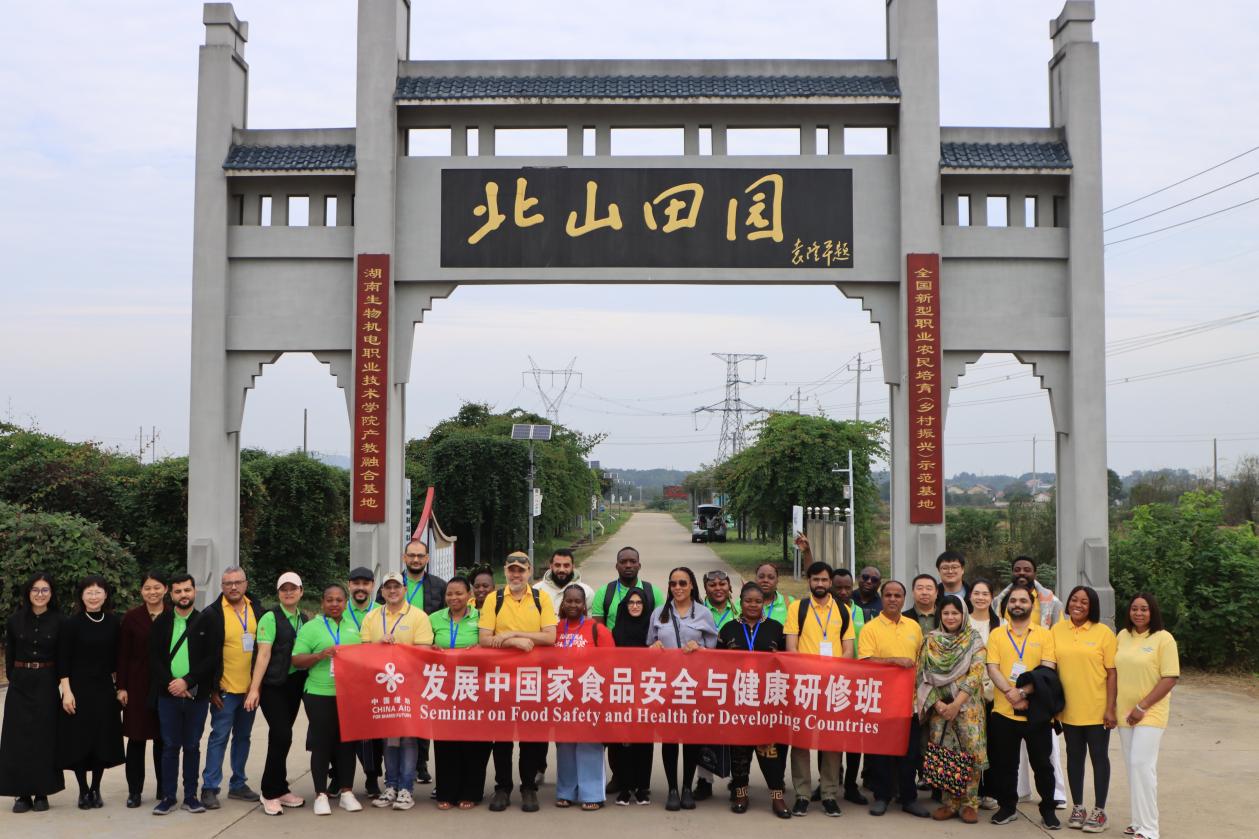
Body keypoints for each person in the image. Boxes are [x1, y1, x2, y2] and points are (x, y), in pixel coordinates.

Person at [479, 551, 557, 813]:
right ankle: (502, 787)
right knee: (501, 737)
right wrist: (514, 642)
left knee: (530, 737)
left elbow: (550, 637)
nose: (516, 575)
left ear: (529, 572)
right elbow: (484, 639)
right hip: (500, 679)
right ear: (505, 571)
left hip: (532, 678)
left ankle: (528, 787)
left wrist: (512, 633)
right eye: (511, 570)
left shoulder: (540, 598)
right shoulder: (495, 599)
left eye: (520, 570)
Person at [783, 559, 855, 818]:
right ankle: (802, 795)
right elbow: (791, 648)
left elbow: (848, 649)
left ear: (830, 582)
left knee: (832, 740)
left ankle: (829, 794)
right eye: (816, 580)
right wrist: (811, 672)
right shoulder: (797, 608)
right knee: (801, 741)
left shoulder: (843, 610)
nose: (820, 584)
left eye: (825, 579)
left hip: (833, 686)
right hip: (804, 685)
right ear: (809, 581)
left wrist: (832, 673)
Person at [986, 582, 1060, 829]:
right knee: (1005, 765)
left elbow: (1048, 670)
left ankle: (1048, 809)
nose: (1018, 604)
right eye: (1014, 601)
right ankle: (1007, 807)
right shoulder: (997, 634)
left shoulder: (1044, 634)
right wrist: (1010, 693)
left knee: (1043, 766)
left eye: (1023, 601)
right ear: (1007, 605)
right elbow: (992, 667)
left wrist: (1022, 692)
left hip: (1035, 713)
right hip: (1003, 712)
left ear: (1031, 605)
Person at [647, 566, 719, 811]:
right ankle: (672, 789)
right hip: (666, 686)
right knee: (669, 738)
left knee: (690, 738)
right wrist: (653, 648)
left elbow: (714, 651)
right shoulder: (659, 613)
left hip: (693, 685)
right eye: (673, 583)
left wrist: (700, 649)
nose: (677, 588)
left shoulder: (704, 613)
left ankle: (688, 787)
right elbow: (649, 645)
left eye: (682, 583)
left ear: (692, 586)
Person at [997, 557, 1067, 808]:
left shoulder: (1051, 602)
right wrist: (1012, 690)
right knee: (1014, 747)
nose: (1022, 573)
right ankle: (1021, 791)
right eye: (1017, 569)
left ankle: (1056, 794)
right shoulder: (1001, 600)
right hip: (1010, 680)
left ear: (1035, 573)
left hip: (1042, 678)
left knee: (1046, 748)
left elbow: (1058, 635)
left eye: (1027, 569)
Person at [361, 572, 434, 811]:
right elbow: (363, 651)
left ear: (404, 589)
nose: (392, 591)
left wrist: (398, 649)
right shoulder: (372, 617)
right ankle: (390, 786)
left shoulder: (419, 616)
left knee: (409, 737)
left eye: (397, 587)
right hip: (382, 686)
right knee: (389, 737)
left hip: (411, 685)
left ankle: (406, 788)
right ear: (382, 591)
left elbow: (424, 651)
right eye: (388, 587)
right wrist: (378, 646)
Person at [718, 581, 791, 819]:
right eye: (748, 601)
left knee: (770, 751)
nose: (753, 605)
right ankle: (741, 794)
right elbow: (715, 664)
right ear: (740, 602)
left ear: (763, 603)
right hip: (738, 700)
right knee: (739, 752)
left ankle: (777, 797)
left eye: (758, 601)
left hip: (767, 701)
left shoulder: (776, 628)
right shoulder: (728, 629)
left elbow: (789, 662)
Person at [857, 580, 929, 818]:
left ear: (904, 599)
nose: (893, 599)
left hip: (909, 703)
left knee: (910, 754)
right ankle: (882, 797)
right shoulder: (870, 628)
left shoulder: (913, 627)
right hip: (881, 703)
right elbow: (865, 662)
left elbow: (921, 662)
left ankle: (908, 798)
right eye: (888, 595)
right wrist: (895, 661)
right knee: (881, 755)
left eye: (898, 595)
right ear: (882, 597)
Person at [915, 595, 988, 824]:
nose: (950, 617)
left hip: (968, 706)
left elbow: (976, 673)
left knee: (970, 751)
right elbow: (922, 675)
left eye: (955, 613)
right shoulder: (931, 640)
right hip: (940, 707)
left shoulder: (974, 639)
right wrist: (939, 704)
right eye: (946, 613)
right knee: (945, 753)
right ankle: (950, 803)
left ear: (963, 614)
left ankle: (970, 804)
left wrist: (956, 704)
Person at [292, 584, 364, 816]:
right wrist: (319, 655)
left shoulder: (354, 626)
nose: (334, 604)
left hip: (348, 694)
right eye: (329, 600)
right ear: (322, 603)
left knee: (347, 744)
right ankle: (321, 794)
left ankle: (346, 792)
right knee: (322, 744)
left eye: (339, 600)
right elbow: (296, 660)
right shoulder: (311, 628)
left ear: (346, 603)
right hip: (319, 694)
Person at [57, 575, 126, 809]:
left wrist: (120, 687)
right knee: (79, 740)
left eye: (98, 592)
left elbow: (119, 658)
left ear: (105, 595)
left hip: (104, 690)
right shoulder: (71, 624)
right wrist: (67, 692)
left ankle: (96, 788)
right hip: (78, 690)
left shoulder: (114, 622)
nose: (94, 596)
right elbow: (63, 661)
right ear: (81, 596)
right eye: (89, 592)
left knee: (101, 740)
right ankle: (83, 790)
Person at [149, 573, 215, 816]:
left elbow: (212, 657)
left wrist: (187, 681)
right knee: (170, 746)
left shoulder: (206, 621)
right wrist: (172, 683)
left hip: (196, 695)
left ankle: (190, 796)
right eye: (178, 591)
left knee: (192, 746)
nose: (183, 595)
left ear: (194, 591)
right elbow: (154, 659)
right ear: (171, 594)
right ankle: (168, 797)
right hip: (168, 695)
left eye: (187, 590)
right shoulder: (161, 622)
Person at [1052, 585, 1116, 833]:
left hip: (1097, 709)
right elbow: (1051, 669)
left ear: (1092, 607)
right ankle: (1078, 807)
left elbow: (1112, 673)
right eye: (1074, 600)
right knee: (1074, 758)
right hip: (1069, 710)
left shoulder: (1104, 633)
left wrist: (1110, 708)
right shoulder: (1057, 630)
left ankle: (1100, 811)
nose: (1077, 605)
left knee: (1099, 758)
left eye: (1084, 602)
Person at [244, 572, 308, 816]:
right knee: (282, 734)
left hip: (294, 684)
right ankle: (269, 792)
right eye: (284, 589)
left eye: (293, 588)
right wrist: (254, 689)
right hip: (273, 685)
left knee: (282, 736)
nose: (288, 593)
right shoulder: (270, 618)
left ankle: (281, 787)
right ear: (278, 592)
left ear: (301, 591)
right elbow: (263, 654)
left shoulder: (304, 618)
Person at [1116, 593, 1179, 839]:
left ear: (1152, 612)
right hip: (1125, 712)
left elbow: (1170, 678)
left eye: (1144, 609)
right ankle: (1137, 821)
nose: (1139, 613)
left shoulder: (1164, 638)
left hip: (1150, 712)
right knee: (1133, 767)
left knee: (1142, 765)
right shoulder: (1122, 636)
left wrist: (1142, 707)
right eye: (1134, 608)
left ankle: (1150, 828)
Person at [199, 566, 262, 809]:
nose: (233, 587)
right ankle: (210, 787)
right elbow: (205, 655)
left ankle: (238, 784)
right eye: (228, 583)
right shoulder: (212, 613)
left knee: (243, 737)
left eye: (238, 582)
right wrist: (211, 689)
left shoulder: (257, 609)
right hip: (225, 691)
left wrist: (257, 686)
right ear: (222, 586)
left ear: (246, 584)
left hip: (250, 691)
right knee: (219, 737)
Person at [1, 572, 65, 813]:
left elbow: (62, 656)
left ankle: (41, 793)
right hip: (20, 682)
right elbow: (10, 654)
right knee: (17, 738)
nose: (40, 594)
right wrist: (16, 676)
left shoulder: (60, 621)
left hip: (47, 681)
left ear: (51, 593)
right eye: (35, 590)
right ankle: (22, 794)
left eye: (45, 590)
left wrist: (57, 682)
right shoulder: (15, 621)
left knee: (44, 737)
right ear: (28, 593)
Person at [432, 576, 492, 809]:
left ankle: (471, 792)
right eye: (449, 593)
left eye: (459, 593)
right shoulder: (434, 618)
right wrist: (430, 649)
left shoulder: (483, 618)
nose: (454, 598)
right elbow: (422, 646)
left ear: (469, 595)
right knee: (446, 741)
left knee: (474, 741)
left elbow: (492, 644)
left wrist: (480, 648)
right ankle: (446, 792)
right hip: (444, 688)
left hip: (476, 688)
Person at [553, 585, 614, 810]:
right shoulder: (555, 629)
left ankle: (592, 794)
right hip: (562, 695)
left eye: (577, 601)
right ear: (563, 603)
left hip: (590, 695)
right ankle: (566, 792)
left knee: (590, 744)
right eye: (569, 601)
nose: (573, 605)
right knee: (565, 746)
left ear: (584, 604)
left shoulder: (598, 630)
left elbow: (611, 663)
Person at [117, 571, 168, 808]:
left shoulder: (173, 614)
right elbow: (123, 655)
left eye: (157, 587)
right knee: (136, 739)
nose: (152, 592)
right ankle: (134, 791)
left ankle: (164, 788)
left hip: (166, 685)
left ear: (165, 589)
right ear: (141, 591)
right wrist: (122, 687)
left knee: (163, 739)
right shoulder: (132, 617)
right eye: (147, 588)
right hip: (137, 685)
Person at [828, 564, 870, 806]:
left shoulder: (859, 612)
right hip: (829, 681)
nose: (843, 592)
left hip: (855, 682)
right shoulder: (824, 610)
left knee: (854, 737)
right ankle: (829, 781)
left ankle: (851, 785)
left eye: (847, 587)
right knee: (828, 736)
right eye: (838, 587)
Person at [608, 588, 653, 806]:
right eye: (631, 603)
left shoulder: (652, 631)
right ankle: (625, 787)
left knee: (644, 741)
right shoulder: (616, 632)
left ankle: (642, 787)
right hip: (623, 690)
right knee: (623, 741)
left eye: (639, 603)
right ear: (624, 606)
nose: (635, 606)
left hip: (646, 691)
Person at [694, 567, 737, 801]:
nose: (718, 589)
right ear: (705, 588)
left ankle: (738, 779)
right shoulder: (698, 611)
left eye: (722, 584)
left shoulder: (740, 610)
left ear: (729, 586)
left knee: (734, 729)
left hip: (735, 679)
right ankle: (704, 779)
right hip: (705, 679)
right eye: (712, 585)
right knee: (704, 729)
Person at [966, 578, 1001, 811]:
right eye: (976, 593)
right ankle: (973, 791)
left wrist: (990, 688)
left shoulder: (1001, 624)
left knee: (994, 744)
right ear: (970, 596)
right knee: (971, 743)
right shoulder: (962, 621)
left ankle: (991, 791)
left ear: (991, 597)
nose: (980, 597)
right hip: (967, 693)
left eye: (985, 594)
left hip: (994, 693)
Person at [591, 546, 664, 630]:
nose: (628, 565)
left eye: (633, 561)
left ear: (639, 566)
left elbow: (661, 627)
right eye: (623, 562)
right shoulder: (603, 593)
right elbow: (598, 631)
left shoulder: (654, 592)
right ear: (617, 566)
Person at [535, 548, 595, 615]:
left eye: (566, 566)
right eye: (557, 565)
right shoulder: (536, 590)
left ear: (573, 567)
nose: (562, 570)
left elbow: (589, 618)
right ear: (551, 566)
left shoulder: (587, 592)